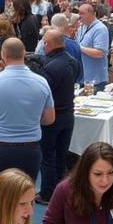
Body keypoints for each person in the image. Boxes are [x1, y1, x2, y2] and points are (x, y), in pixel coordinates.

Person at [0, 37, 55, 197]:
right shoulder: (41, 82)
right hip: (29, 150)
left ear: (3, 55)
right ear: (24, 54)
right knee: (22, 202)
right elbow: (49, 119)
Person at [38, 28, 79, 204]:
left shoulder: (51, 66)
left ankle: (47, 193)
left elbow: (43, 93)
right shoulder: (73, 62)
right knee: (61, 155)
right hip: (69, 114)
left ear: (48, 44)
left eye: (44, 42)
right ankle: (60, 191)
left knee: (47, 156)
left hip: (53, 116)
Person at [77, 2, 110, 89]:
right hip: (83, 78)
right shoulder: (81, 27)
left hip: (96, 80)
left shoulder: (100, 29)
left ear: (91, 14)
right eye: (78, 13)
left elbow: (99, 52)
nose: (79, 16)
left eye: (82, 13)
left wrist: (80, 48)